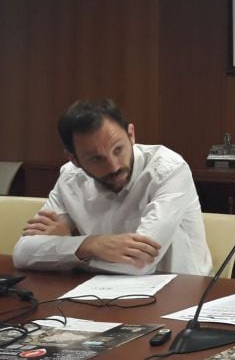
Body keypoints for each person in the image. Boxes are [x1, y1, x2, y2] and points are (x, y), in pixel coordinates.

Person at [13, 99, 211, 276]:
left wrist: (68, 247)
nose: (114, 166)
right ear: (74, 159)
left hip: (180, 294)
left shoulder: (168, 169)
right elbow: (23, 253)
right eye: (97, 159)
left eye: (118, 149)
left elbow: (138, 264)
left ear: (131, 135)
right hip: (100, 295)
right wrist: (89, 244)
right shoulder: (70, 178)